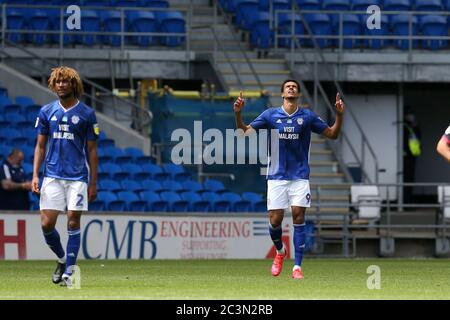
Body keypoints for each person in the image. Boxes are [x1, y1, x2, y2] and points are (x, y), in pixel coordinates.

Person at [233, 79, 344, 279]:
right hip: (276, 176)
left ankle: (297, 267)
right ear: (283, 94)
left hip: (300, 176)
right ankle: (280, 252)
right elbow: (244, 133)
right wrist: (238, 113)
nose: (291, 88)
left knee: (298, 216)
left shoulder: (307, 116)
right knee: (275, 220)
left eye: (294, 87)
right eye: (288, 87)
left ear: (298, 94)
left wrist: (339, 115)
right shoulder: (270, 115)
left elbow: (333, 134)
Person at [32, 66, 99, 286]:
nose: (61, 85)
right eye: (58, 82)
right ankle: (61, 259)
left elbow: (92, 150)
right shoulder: (46, 111)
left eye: (65, 82)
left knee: (72, 220)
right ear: (53, 85)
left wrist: (93, 183)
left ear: (74, 85)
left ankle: (70, 271)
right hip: (51, 176)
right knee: (46, 224)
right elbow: (40, 146)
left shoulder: (87, 114)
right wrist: (35, 175)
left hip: (78, 178)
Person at [403, 107, 421, 206]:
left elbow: (418, 139)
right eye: (409, 114)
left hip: (412, 156)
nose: (411, 116)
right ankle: (405, 202)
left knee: (410, 179)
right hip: (404, 158)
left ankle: (408, 202)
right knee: (405, 180)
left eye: (412, 114)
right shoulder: (404, 126)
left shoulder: (413, 126)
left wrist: (415, 127)